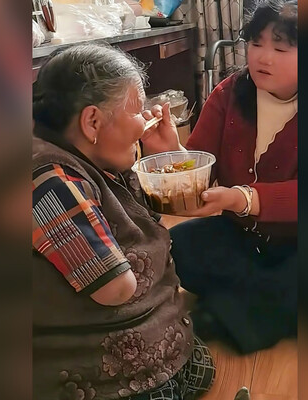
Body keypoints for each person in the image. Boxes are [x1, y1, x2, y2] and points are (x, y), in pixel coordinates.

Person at [32, 44, 215, 399]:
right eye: (138, 110)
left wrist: (166, 155)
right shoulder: (48, 181)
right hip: (82, 362)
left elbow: (179, 205)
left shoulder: (89, 154)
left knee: (197, 368)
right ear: (92, 122)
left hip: (142, 332)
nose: (146, 120)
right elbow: (116, 288)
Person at [141, 0, 298, 354]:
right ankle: (266, 307)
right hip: (242, 237)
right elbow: (202, 170)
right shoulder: (229, 92)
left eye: (280, 48)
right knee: (176, 246)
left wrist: (244, 198)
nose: (263, 57)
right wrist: (172, 152)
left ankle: (232, 313)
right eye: (255, 43)